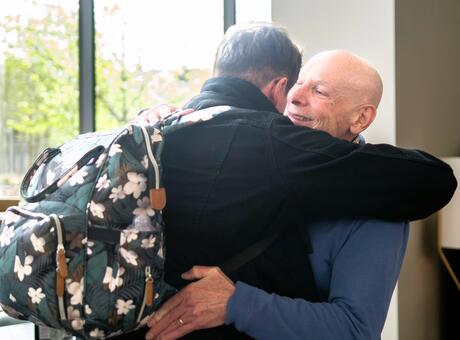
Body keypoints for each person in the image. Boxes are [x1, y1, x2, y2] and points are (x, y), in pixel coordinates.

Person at [136, 23, 455, 340]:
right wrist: (161, 120)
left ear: (360, 118)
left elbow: (355, 330)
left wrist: (236, 303)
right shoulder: (256, 158)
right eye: (298, 83)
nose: (295, 97)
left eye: (320, 91)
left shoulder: (383, 201)